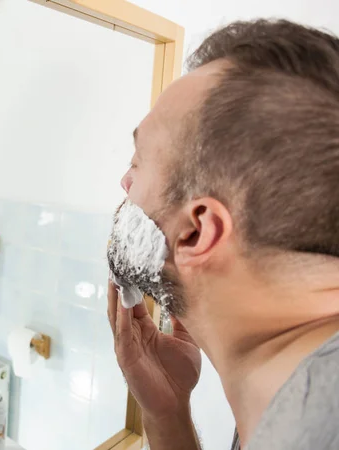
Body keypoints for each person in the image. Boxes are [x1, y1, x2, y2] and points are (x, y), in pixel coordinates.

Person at [107, 19, 339, 450]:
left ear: (196, 232)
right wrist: (168, 412)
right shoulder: (294, 395)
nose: (124, 181)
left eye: (138, 162)